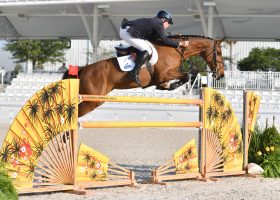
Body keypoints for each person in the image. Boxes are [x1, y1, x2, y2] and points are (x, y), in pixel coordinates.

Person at [119, 10, 189, 85]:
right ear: (163, 20)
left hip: (127, 30)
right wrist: (181, 43)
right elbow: (164, 40)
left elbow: (159, 38)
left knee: (146, 47)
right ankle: (134, 72)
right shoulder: (158, 24)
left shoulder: (156, 22)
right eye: (168, 22)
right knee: (147, 50)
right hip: (127, 32)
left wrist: (175, 37)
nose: (168, 25)